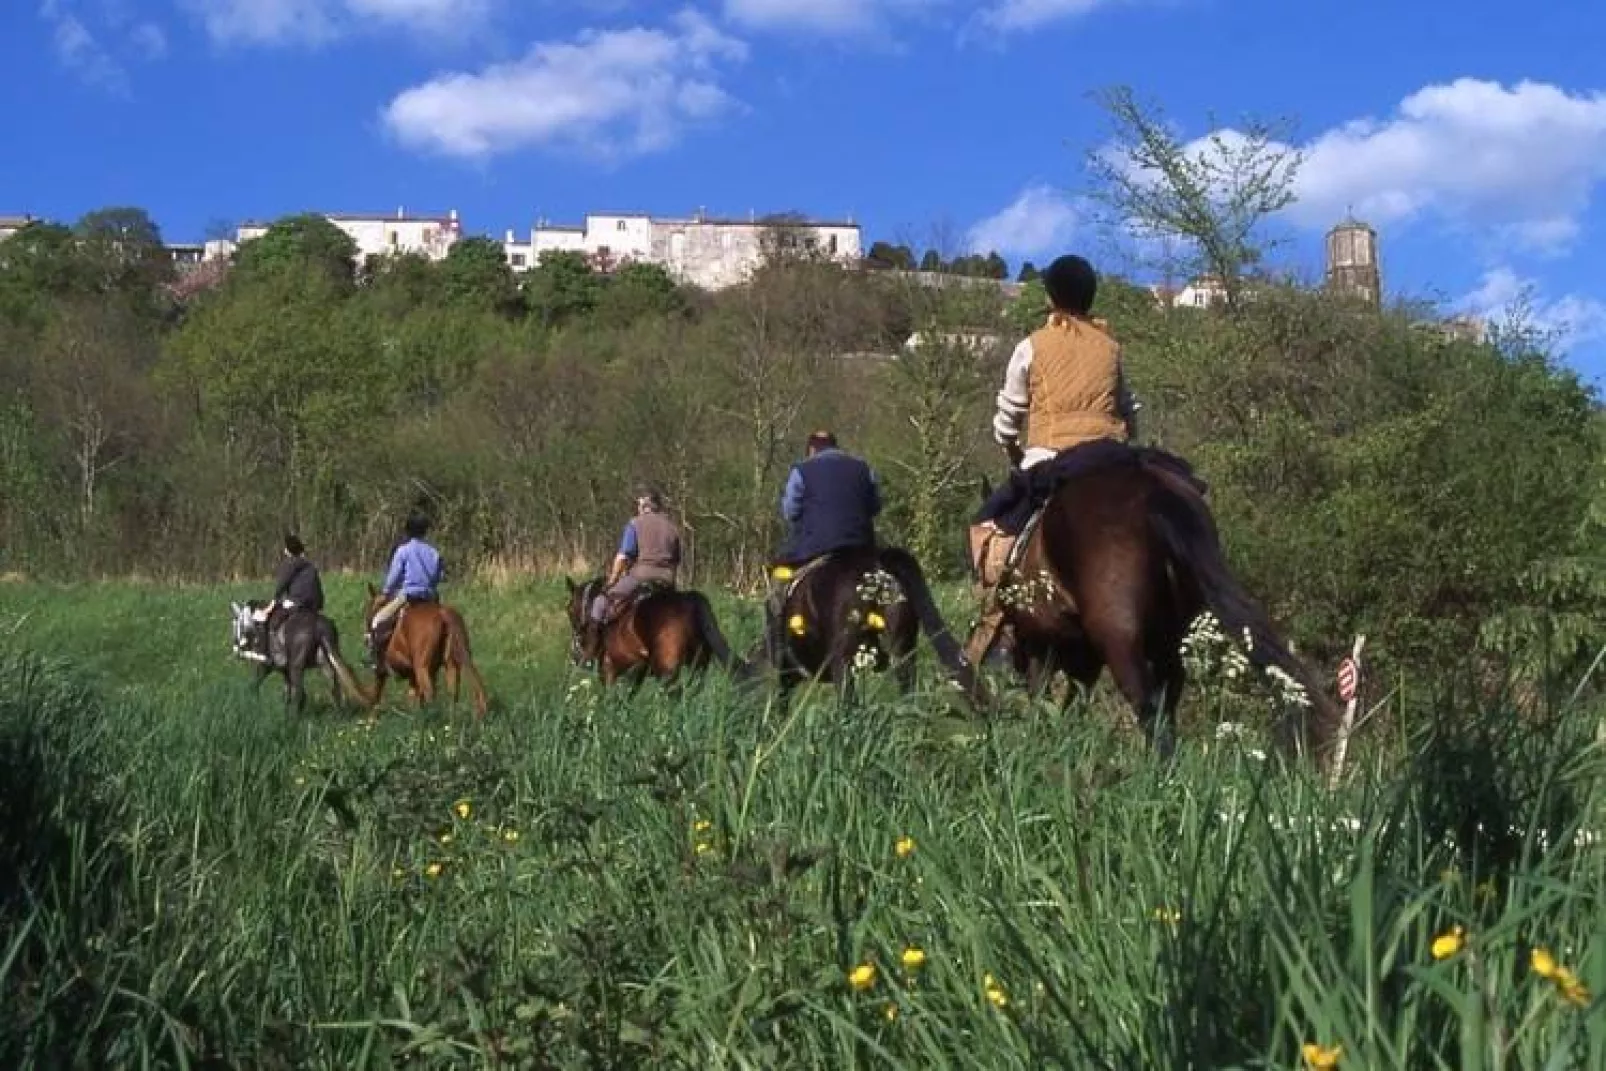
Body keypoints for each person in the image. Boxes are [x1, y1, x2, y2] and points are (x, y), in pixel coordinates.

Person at [963, 254, 1139, 666]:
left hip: (1050, 456)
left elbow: (1008, 415)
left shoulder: (1031, 346)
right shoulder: (1112, 348)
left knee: (989, 531)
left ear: (1050, 296)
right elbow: (1130, 409)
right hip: (1110, 459)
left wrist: (1010, 447)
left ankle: (1000, 630)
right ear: (1090, 298)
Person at [765, 430, 882, 658]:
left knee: (777, 593)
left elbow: (790, 511)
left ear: (811, 450)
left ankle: (778, 649)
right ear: (836, 446)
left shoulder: (802, 470)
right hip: (860, 549)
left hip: (814, 548)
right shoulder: (863, 467)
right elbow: (875, 506)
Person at [588, 488, 682, 635]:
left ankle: (590, 650)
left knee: (600, 602)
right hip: (667, 580)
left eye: (639, 505)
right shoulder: (673, 528)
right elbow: (676, 561)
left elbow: (623, 557)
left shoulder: (635, 524)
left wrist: (612, 580)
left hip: (640, 576)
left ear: (645, 506)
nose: (638, 509)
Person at [367, 511, 444, 664]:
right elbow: (439, 577)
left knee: (377, 621)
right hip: (431, 598)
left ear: (407, 530)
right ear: (425, 531)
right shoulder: (434, 552)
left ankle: (375, 659)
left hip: (409, 596)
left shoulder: (403, 550)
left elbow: (393, 578)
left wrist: (386, 592)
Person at [250, 532, 325, 659]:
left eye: (285, 548)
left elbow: (280, 587)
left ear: (289, 551)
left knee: (264, 619)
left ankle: (265, 652)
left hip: (296, 602)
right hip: (314, 606)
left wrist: (269, 608)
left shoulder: (289, 564)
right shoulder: (311, 566)